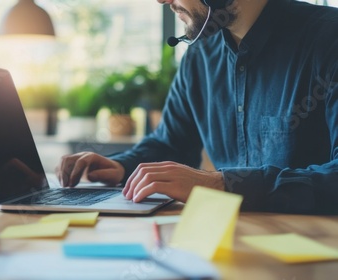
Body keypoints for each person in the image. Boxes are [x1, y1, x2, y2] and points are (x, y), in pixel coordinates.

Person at [56, 0, 338, 214]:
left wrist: (221, 184)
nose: (161, 0)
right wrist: (121, 166)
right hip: (229, 244)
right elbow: (171, 142)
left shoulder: (329, 39)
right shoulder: (200, 55)